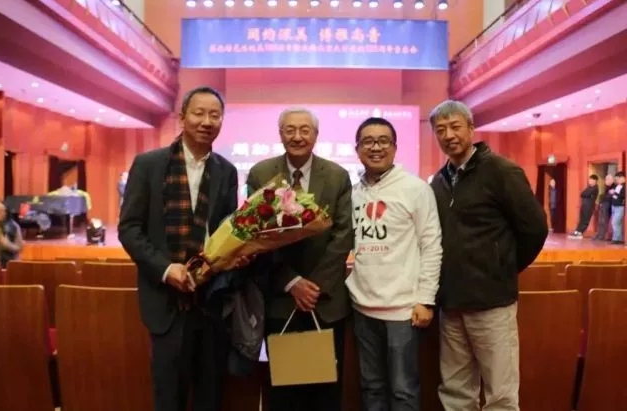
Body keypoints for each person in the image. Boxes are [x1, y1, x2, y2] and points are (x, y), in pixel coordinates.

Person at [118, 86, 239, 411]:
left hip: (210, 301)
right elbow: (129, 228)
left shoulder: (227, 171)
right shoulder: (149, 165)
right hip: (165, 303)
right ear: (182, 117)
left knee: (210, 398)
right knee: (169, 398)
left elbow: (228, 231)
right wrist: (165, 269)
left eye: (215, 115)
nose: (206, 121)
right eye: (199, 113)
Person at [428, 100, 548, 411]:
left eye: (455, 126)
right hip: (451, 303)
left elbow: (535, 229)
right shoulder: (439, 181)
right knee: (456, 391)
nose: (449, 135)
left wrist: (502, 266)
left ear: (471, 129)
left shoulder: (501, 171)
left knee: (500, 394)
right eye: (440, 130)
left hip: (492, 302)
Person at [246, 107, 353, 411]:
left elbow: (344, 234)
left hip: (325, 302)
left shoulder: (337, 176)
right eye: (290, 130)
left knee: (325, 394)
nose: (297, 136)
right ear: (280, 134)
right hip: (280, 301)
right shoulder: (261, 174)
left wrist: (314, 286)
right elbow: (254, 235)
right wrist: (292, 282)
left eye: (305, 130)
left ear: (315, 135)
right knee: (283, 392)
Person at [346, 117, 442, 411]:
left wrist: (426, 299)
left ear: (395, 147)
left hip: (403, 310)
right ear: (358, 149)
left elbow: (431, 245)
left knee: (403, 390)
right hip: (362, 307)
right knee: (371, 387)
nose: (376, 147)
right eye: (368, 142)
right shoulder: (353, 192)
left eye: (383, 141)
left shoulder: (415, 188)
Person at [0, 200, 23, 267]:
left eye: (2, 211)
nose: (0, 213)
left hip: (7, 264)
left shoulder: (14, 226)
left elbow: (20, 248)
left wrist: (8, 244)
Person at [594, 174, 614, 241]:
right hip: (604, 205)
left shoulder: (613, 187)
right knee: (600, 221)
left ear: (611, 180)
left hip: (607, 206)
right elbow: (603, 196)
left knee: (603, 221)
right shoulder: (607, 187)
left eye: (607, 179)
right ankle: (598, 234)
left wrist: (603, 198)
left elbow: (608, 197)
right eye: (605, 179)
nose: (605, 181)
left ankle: (601, 236)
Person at [609, 171, 625, 244]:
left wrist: (614, 193)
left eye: (618, 179)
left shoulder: (624, 186)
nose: (617, 180)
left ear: (622, 178)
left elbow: (623, 196)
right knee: (617, 223)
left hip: (619, 206)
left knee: (615, 222)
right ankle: (619, 239)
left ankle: (615, 239)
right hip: (614, 205)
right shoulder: (617, 186)